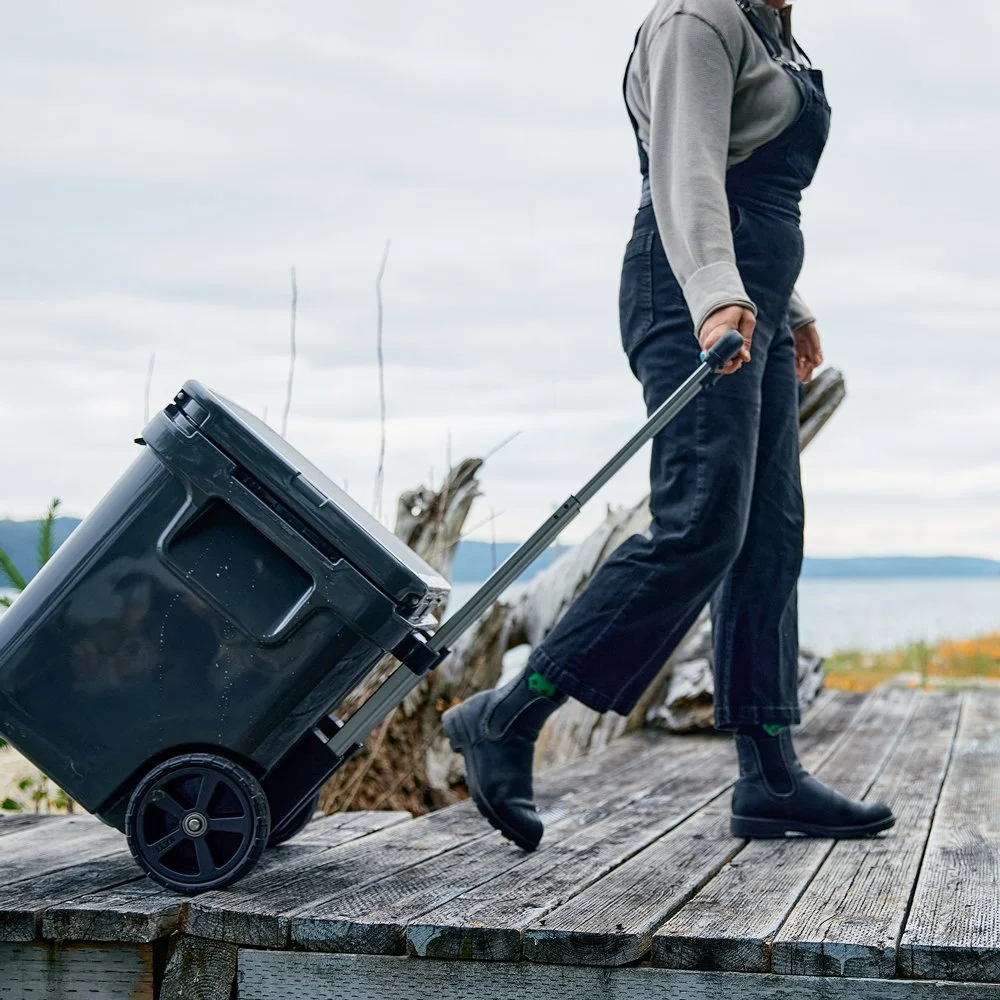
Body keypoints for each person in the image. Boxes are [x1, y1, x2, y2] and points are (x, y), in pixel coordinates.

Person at [443, 0, 894, 850]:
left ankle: (771, 779)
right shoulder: (700, 18)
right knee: (699, 526)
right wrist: (720, 298)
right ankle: (508, 715)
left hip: (743, 298)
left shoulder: (772, 32)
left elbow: (751, 188)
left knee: (769, 535)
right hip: (685, 294)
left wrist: (785, 306)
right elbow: (686, 174)